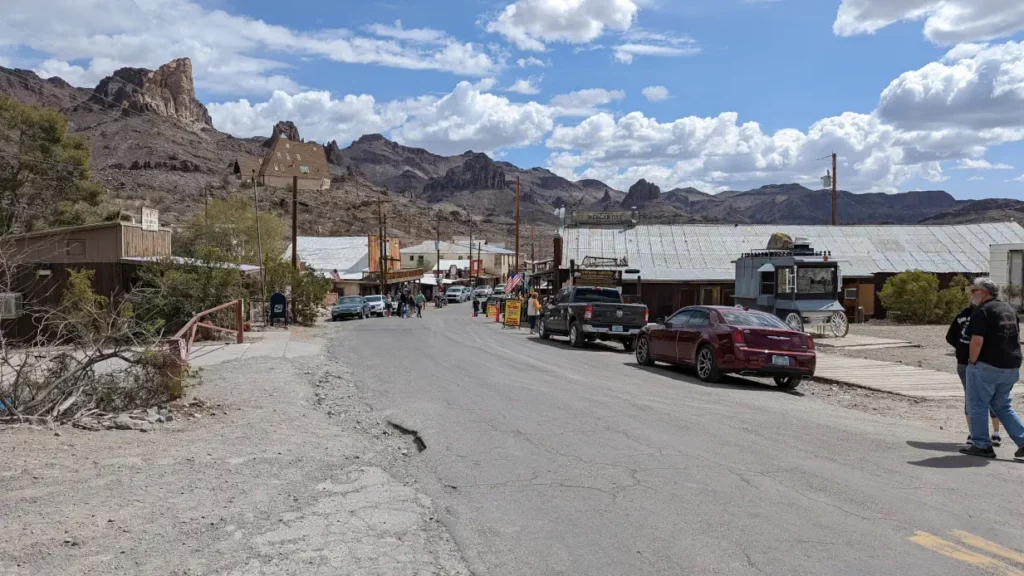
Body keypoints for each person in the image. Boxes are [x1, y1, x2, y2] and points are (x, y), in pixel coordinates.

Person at [959, 278, 1024, 459]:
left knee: (977, 404)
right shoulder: (1009, 309)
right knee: (1002, 405)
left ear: (985, 293)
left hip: (987, 365)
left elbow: (977, 340)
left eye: (974, 290)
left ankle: (981, 445)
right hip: (1011, 364)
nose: (972, 294)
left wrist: (972, 362)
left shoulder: (982, 311)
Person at [946, 302, 1002, 446]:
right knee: (991, 395)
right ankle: (996, 433)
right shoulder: (992, 314)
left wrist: (962, 347)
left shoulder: (962, 315)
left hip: (965, 361)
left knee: (970, 396)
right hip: (987, 361)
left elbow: (950, 337)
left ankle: (973, 434)